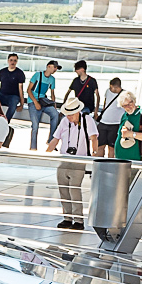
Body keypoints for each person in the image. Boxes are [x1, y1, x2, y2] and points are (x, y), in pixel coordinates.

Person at [50, 96, 92, 230]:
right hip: (64, 159)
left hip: (79, 161)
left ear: (77, 112)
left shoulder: (87, 120)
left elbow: (94, 137)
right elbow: (55, 139)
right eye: (67, 114)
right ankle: (67, 218)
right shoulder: (64, 121)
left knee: (74, 190)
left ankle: (78, 220)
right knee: (63, 189)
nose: (68, 117)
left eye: (71, 114)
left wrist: (95, 154)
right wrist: (46, 154)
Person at [27, 59, 62, 150]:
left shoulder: (52, 79)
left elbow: (52, 94)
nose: (55, 69)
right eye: (54, 67)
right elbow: (29, 90)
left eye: (56, 68)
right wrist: (35, 102)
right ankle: (33, 148)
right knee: (35, 126)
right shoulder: (37, 75)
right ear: (48, 66)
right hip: (33, 101)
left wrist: (54, 106)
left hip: (43, 101)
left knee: (55, 114)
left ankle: (50, 140)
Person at [111, 88, 142, 163]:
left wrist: (131, 134)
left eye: (129, 104)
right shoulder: (124, 115)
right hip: (119, 156)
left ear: (134, 101)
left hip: (134, 158)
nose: (128, 107)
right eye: (124, 105)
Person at [0, 52, 27, 128]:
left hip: (13, 96)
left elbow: (21, 89)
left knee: (13, 104)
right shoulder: (2, 71)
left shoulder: (19, 73)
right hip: (1, 94)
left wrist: (22, 104)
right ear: (8, 61)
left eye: (15, 60)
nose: (12, 62)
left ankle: (5, 123)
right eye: (11, 60)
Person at [95, 78, 126, 158]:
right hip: (103, 122)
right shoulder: (108, 91)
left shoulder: (124, 95)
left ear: (116, 87)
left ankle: (110, 163)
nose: (110, 89)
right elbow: (105, 103)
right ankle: (99, 162)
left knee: (111, 147)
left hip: (115, 124)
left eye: (111, 87)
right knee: (100, 146)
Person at [66, 61, 100, 129]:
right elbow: (68, 93)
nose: (76, 71)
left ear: (82, 69)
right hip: (77, 106)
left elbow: (98, 96)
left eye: (77, 69)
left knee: (81, 116)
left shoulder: (92, 81)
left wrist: (96, 111)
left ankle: (79, 130)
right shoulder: (76, 80)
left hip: (87, 106)